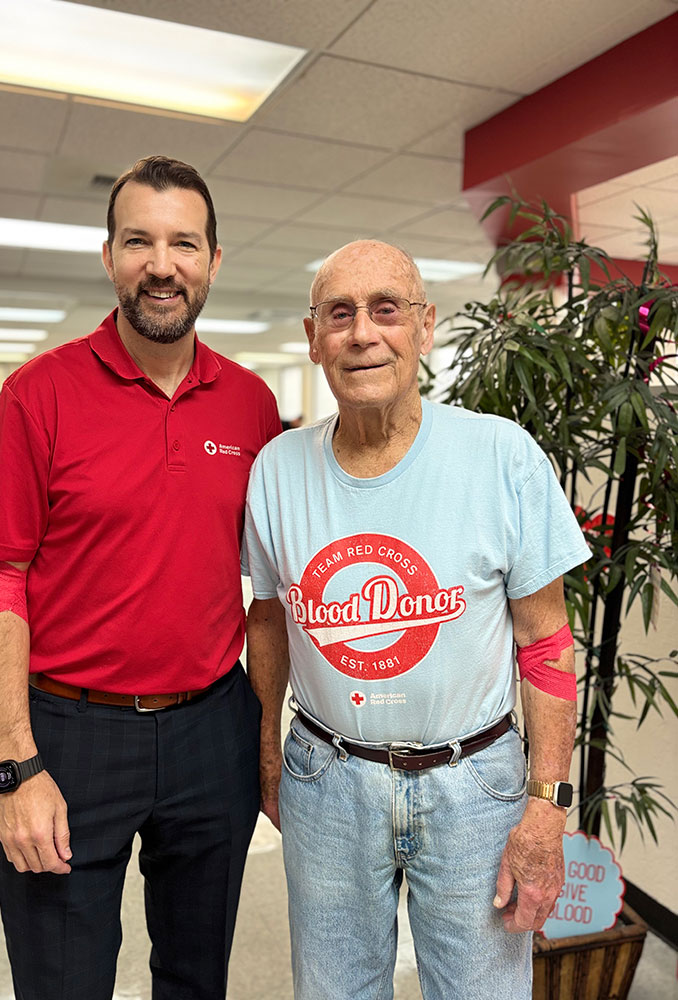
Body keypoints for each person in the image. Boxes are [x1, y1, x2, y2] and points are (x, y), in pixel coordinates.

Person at [0, 155, 281, 1000]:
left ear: (214, 261)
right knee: (62, 982)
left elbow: (273, 591)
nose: (162, 265)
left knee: (197, 977)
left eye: (184, 244)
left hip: (213, 728)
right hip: (70, 736)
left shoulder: (251, 405)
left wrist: (265, 739)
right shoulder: (39, 394)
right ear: (109, 257)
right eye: (139, 241)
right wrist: (14, 765)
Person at [244, 240, 591, 999]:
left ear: (426, 327)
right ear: (313, 338)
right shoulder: (276, 470)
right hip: (327, 781)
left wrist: (546, 808)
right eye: (340, 314)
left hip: (477, 788)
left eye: (386, 310)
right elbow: (266, 623)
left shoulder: (501, 457)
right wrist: (267, 753)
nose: (363, 333)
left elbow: (546, 644)